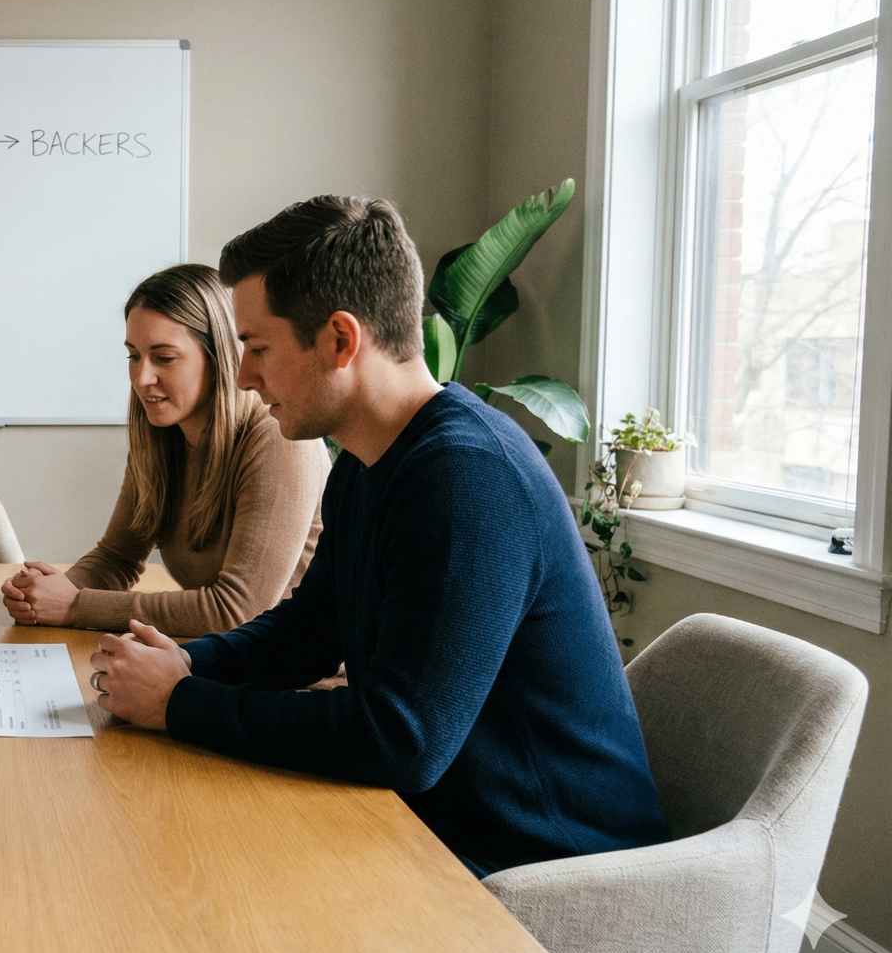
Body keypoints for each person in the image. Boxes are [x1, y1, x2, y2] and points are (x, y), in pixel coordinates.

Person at [89, 197, 670, 876]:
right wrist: (188, 666)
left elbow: (403, 739)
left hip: (543, 870)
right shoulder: (370, 462)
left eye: (258, 346)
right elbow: (309, 629)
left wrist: (182, 703)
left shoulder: (466, 475)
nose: (243, 374)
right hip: (442, 827)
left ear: (340, 339)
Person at [0, 265, 328, 637]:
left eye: (164, 358)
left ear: (219, 355)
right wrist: (43, 596)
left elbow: (237, 610)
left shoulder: (278, 441)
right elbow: (117, 558)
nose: (142, 378)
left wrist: (76, 605)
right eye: (133, 356)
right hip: (222, 662)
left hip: (293, 682)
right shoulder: (161, 436)